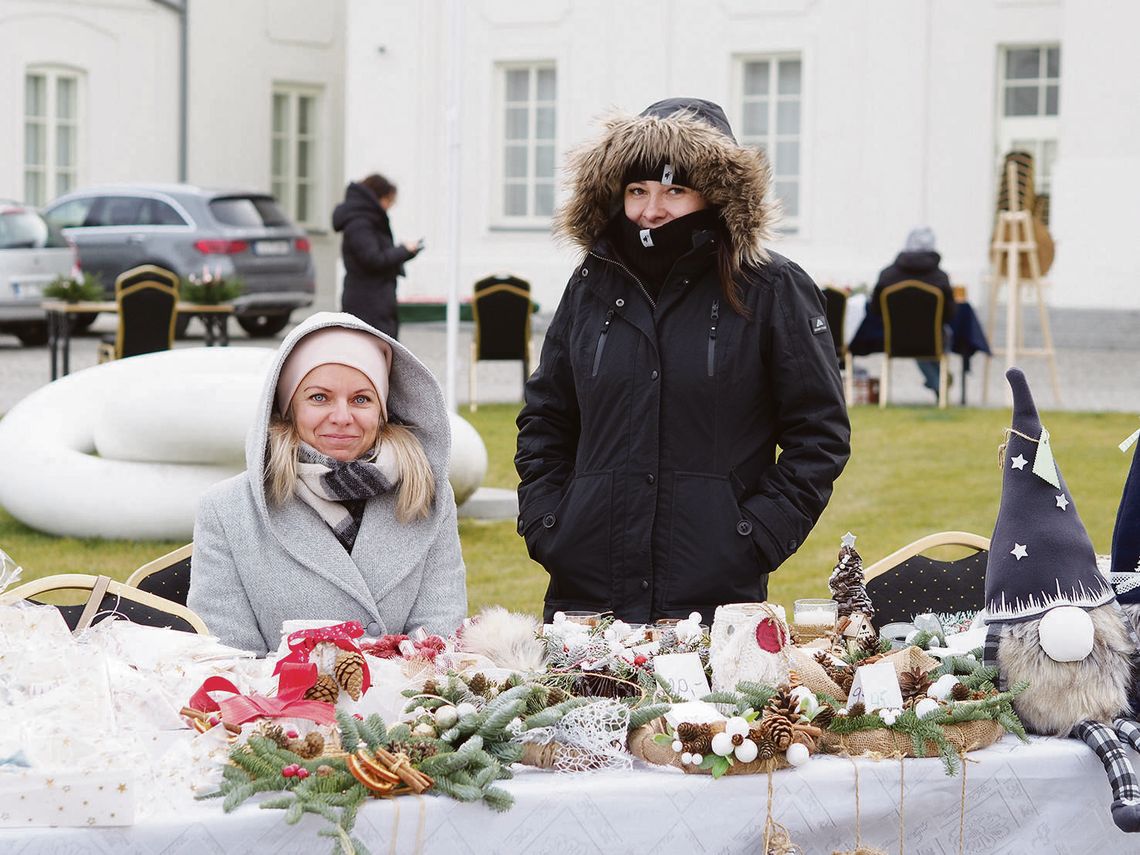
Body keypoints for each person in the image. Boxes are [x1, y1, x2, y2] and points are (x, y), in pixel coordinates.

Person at [515, 97, 851, 624]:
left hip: (711, 595)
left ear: (717, 194)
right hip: (586, 593)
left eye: (675, 189)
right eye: (637, 190)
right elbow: (547, 417)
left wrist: (755, 534)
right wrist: (551, 523)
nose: (653, 210)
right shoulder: (589, 285)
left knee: (702, 713)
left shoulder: (771, 288)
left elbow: (819, 433)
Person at [188, 311, 466, 655]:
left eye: (361, 399)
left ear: (383, 411)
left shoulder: (426, 495)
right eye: (319, 397)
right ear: (287, 406)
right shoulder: (228, 509)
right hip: (277, 706)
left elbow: (439, 643)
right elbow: (229, 657)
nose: (342, 417)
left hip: (404, 705)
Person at [869, 226, 957, 397]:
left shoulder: (887, 275)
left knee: (913, 332)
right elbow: (950, 314)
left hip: (895, 339)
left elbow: (875, 309)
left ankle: (936, 380)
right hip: (932, 339)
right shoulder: (940, 278)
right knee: (936, 334)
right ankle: (939, 380)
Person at [333, 174, 423, 339]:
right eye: (388, 201)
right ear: (377, 197)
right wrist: (404, 250)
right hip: (368, 303)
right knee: (371, 353)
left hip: (374, 300)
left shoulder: (364, 219)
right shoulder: (360, 222)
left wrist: (406, 252)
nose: (388, 207)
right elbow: (373, 259)